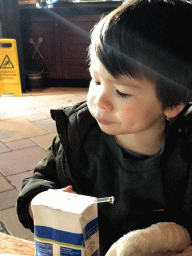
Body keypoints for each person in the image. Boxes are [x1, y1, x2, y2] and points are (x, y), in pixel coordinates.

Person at [17, 0, 192, 254]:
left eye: (121, 92)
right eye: (96, 80)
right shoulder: (77, 135)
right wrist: (38, 201)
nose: (99, 100)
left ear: (173, 102)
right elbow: (39, 181)